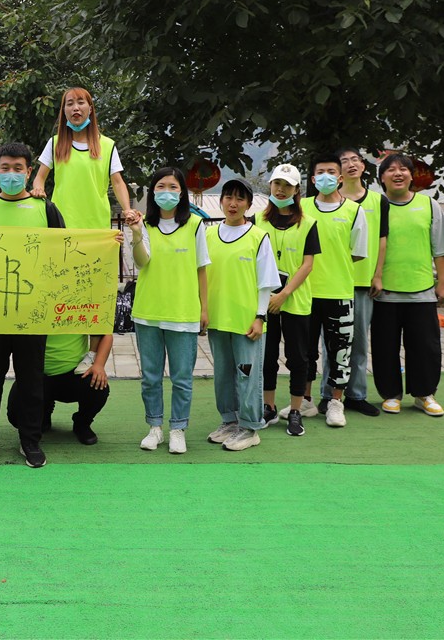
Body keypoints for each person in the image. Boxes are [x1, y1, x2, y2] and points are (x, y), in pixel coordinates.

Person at [0, 142, 67, 468]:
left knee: (31, 379)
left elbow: (64, 252)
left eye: (18, 168)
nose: (11, 174)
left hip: (33, 312)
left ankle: (30, 440)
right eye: (5, 168)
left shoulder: (44, 209)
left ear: (28, 172)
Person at [30, 87, 140, 375]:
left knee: (95, 294)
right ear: (63, 111)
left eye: (81, 102)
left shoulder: (107, 145)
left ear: (91, 108)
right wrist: (38, 189)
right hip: (61, 231)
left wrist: (127, 209)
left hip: (97, 234)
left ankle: (92, 355)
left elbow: (117, 182)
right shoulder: (55, 143)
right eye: (70, 103)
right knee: (60, 290)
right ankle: (56, 352)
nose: (75, 108)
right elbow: (39, 177)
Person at [129, 167, 208, 455]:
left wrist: (204, 309)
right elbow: (141, 262)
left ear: (182, 192)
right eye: (161, 186)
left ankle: (178, 429)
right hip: (148, 312)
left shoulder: (196, 225)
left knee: (182, 378)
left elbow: (202, 269)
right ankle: (155, 428)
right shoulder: (144, 225)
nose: (167, 192)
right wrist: (136, 234)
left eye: (173, 187)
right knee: (150, 377)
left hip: (183, 313)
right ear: (152, 192)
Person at [204, 178, 281, 452]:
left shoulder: (258, 237)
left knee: (248, 375)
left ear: (249, 204)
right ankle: (230, 420)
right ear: (221, 201)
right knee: (223, 374)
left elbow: (266, 282)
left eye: (240, 198)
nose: (233, 204)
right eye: (228, 197)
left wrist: (260, 317)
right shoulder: (209, 234)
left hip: (247, 321)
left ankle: (250, 428)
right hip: (217, 318)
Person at [371, 153, 444, 416]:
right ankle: (390, 394)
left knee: (425, 347)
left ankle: (424, 395)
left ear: (411, 176)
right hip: (384, 292)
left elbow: (441, 248)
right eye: (391, 169)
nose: (398, 173)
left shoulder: (429, 205)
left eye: (404, 169)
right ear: (382, 178)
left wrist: (443, 283)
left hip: (422, 291)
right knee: (385, 346)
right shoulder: (375, 206)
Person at [299, 153, 368, 429]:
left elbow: (357, 252)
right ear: (312, 179)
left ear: (340, 178)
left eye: (331, 172)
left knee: (340, 352)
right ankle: (304, 400)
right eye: (320, 172)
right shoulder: (301, 207)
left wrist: (334, 265)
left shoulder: (354, 211)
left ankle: (335, 402)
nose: (325, 177)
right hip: (304, 293)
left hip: (339, 292)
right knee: (304, 352)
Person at [317, 147, 387, 417]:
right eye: (344, 161)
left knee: (358, 343)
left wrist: (377, 274)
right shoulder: (320, 203)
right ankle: (328, 395)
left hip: (361, 282)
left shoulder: (377, 201)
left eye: (354, 159)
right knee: (330, 345)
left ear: (363, 166)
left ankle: (356, 394)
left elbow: (382, 239)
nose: (350, 164)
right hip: (330, 285)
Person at [258, 164, 320, 437]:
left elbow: (307, 265)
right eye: (277, 184)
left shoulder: (308, 223)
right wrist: (270, 296)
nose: (281, 189)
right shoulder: (257, 220)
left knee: (298, 357)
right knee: (267, 356)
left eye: (287, 185)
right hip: (265, 300)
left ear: (296, 190)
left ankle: (295, 410)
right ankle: (268, 407)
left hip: (295, 300)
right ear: (270, 186)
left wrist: (284, 294)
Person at [7, 333, 113, 445]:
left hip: (75, 372)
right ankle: (44, 413)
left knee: (98, 385)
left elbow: (106, 334)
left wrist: (98, 365)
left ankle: (82, 423)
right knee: (16, 417)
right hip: (37, 375)